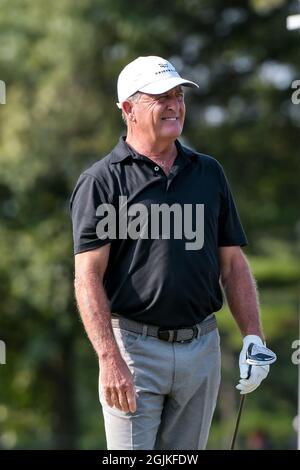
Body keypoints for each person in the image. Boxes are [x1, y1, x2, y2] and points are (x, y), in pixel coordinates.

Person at [70, 56, 271, 450]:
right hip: (134, 351)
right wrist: (109, 359)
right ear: (128, 109)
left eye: (179, 95)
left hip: (202, 348)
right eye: (161, 97)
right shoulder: (100, 181)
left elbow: (232, 265)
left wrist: (254, 338)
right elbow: (87, 277)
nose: (175, 105)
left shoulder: (209, 172)